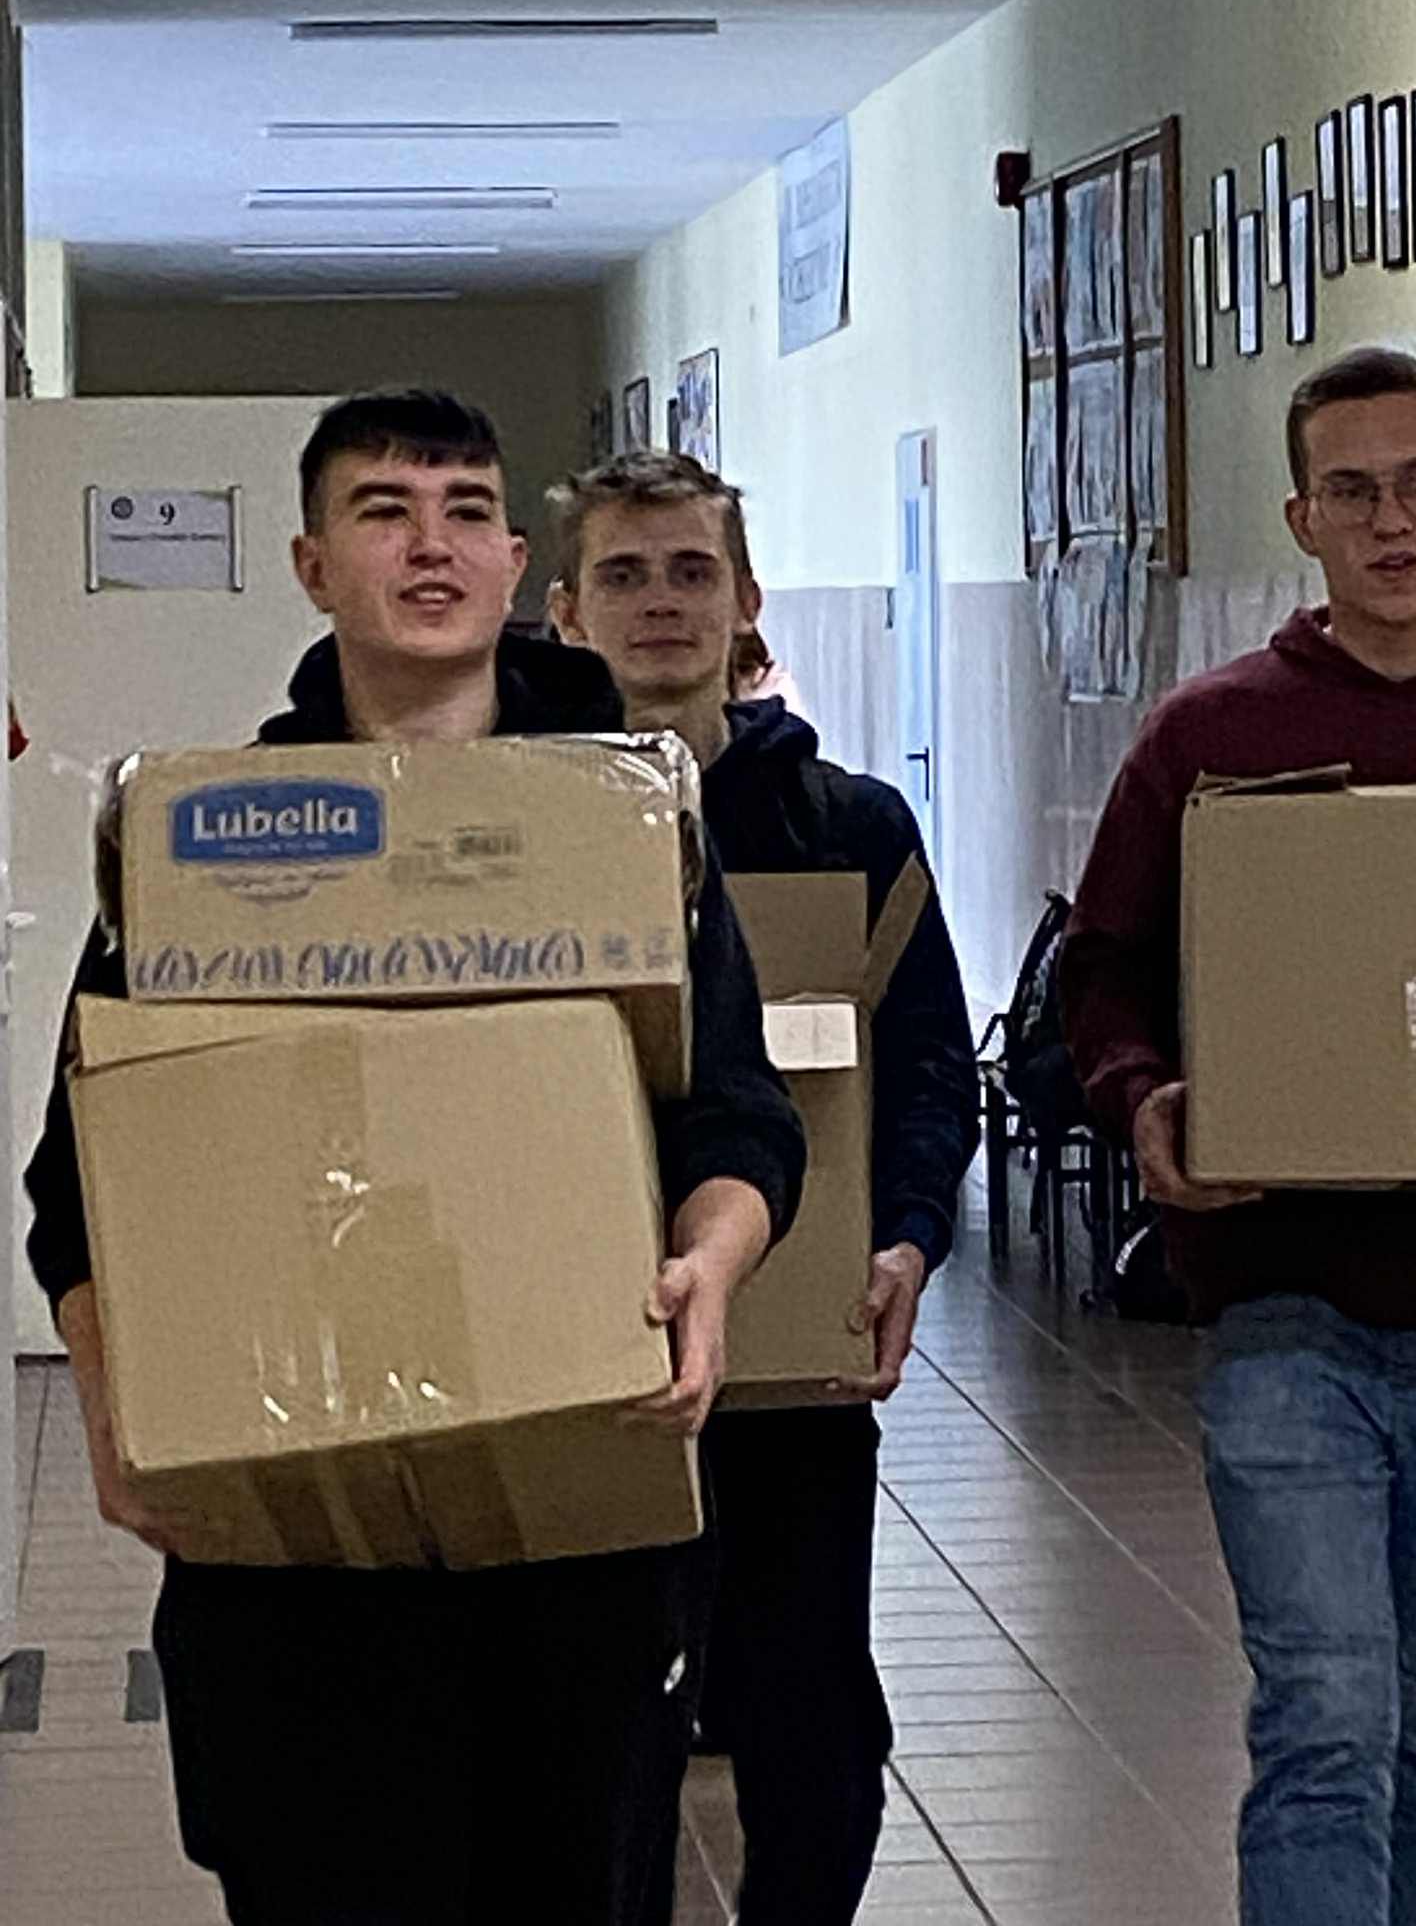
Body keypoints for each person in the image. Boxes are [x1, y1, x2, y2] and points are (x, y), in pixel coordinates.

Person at [24, 391, 806, 1926]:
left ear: (516, 564)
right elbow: (78, 1182)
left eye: (466, 513)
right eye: (384, 512)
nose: (430, 546)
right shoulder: (211, 837)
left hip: (577, 1508)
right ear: (313, 565)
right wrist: (115, 1412)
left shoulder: (624, 827)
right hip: (291, 1535)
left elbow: (739, 1117)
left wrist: (709, 1272)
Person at [1059, 347, 1416, 1926]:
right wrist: (1147, 1097)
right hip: (1286, 1308)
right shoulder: (1210, 734)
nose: (1390, 519)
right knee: (1327, 1718)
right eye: (1353, 491)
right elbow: (1101, 971)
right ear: (1301, 519)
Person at [547, 448, 978, 1926]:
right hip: (584, 1353)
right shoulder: (512, 828)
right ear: (565, 611)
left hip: (796, 1359)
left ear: (746, 601)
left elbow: (929, 1065)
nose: (661, 603)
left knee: (813, 1724)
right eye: (623, 574)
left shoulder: (846, 828)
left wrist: (909, 1239)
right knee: (605, 1730)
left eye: (692, 572)